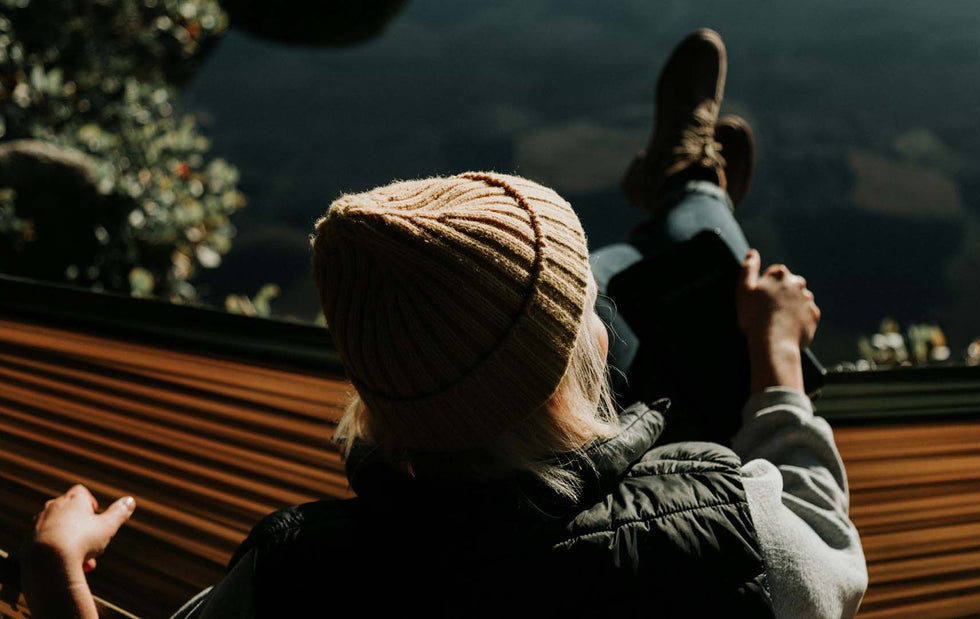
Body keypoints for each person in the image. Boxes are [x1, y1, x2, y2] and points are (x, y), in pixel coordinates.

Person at [21, 29, 867, 618]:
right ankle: (692, 190)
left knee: (641, 271)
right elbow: (834, 559)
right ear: (589, 346)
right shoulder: (734, 522)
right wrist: (779, 356)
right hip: (685, 434)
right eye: (580, 310)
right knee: (692, 262)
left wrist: (60, 580)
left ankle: (683, 189)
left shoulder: (290, 578)